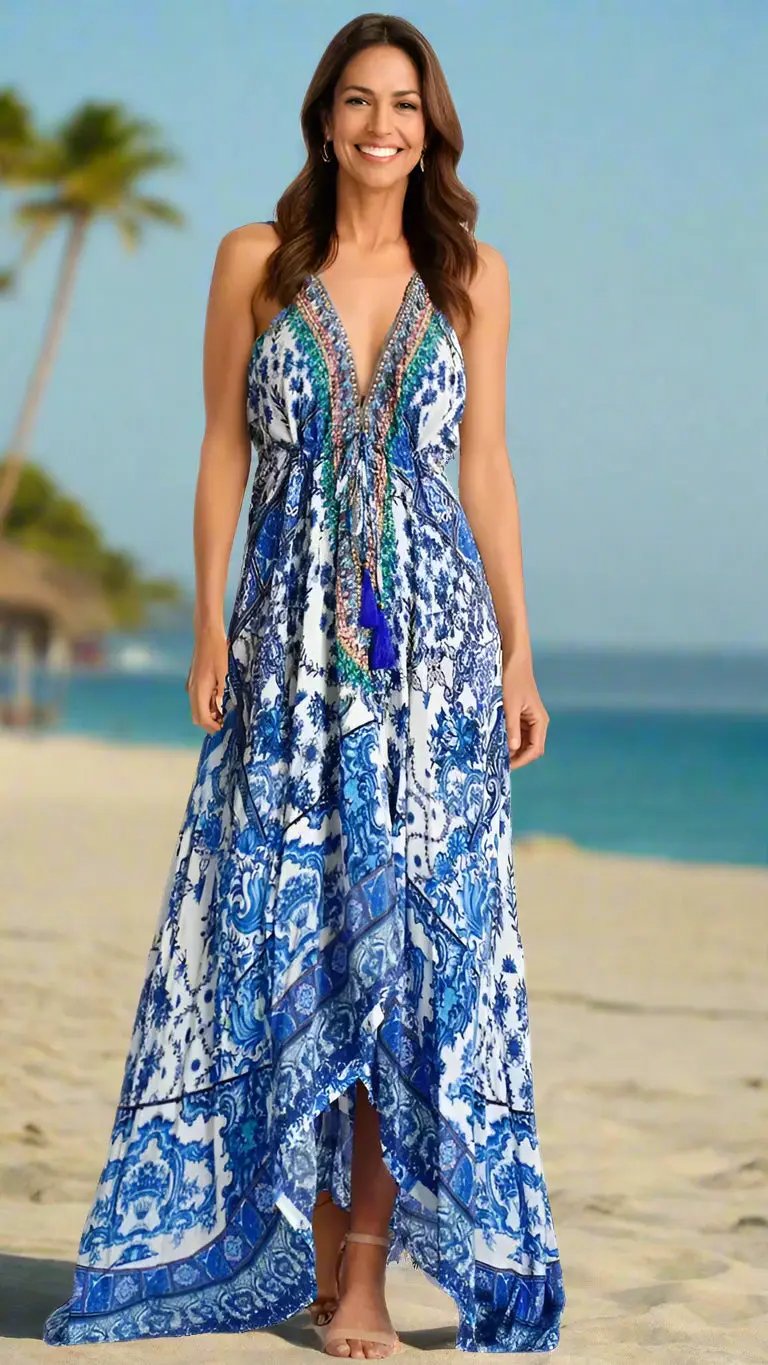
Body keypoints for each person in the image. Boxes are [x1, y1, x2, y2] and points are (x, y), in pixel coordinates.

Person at [44, 12, 566, 1359]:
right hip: (283, 652)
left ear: (431, 131)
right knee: (297, 946)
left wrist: (519, 648)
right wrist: (207, 625)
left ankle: (367, 1276)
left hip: (433, 666)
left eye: (405, 104)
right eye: (358, 100)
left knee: (408, 963)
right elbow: (222, 447)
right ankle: (321, 1246)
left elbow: (486, 467)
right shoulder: (254, 262)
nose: (382, 125)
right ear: (324, 120)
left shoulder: (474, 278)